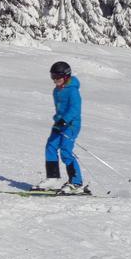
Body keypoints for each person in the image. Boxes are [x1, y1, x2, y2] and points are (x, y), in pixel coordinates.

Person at [42, 61, 89, 194]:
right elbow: (59, 109)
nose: (55, 80)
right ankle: (52, 177)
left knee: (65, 151)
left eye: (57, 77)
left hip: (72, 125)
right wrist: (58, 121)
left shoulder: (73, 91)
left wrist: (64, 121)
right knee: (50, 146)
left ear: (66, 76)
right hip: (60, 124)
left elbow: (75, 109)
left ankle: (76, 182)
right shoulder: (56, 91)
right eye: (53, 77)